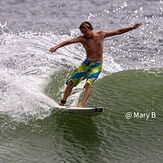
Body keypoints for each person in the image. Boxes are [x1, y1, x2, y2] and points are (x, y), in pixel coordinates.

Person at [49, 21, 142, 107]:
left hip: (97, 65)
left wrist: (132, 28)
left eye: (85, 32)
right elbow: (68, 41)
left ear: (90, 29)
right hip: (86, 64)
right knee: (71, 82)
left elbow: (118, 31)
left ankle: (81, 105)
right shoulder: (83, 39)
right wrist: (56, 47)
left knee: (89, 84)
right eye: (82, 32)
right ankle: (62, 102)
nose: (84, 34)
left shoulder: (101, 35)